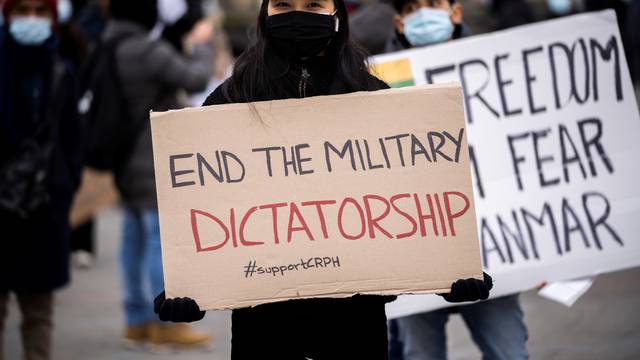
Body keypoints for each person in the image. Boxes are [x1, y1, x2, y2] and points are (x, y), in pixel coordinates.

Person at [153, 1, 494, 359]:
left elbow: (406, 203)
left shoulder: (373, 96)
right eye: (284, 4)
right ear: (265, 14)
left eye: (313, 4)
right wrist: (188, 287)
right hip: (264, 327)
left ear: (336, 16)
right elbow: (205, 206)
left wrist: (449, 272)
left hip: (354, 325)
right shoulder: (231, 100)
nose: (298, 15)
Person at [385, 1, 529, 359]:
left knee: (509, 352)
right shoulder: (374, 83)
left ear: (456, 13)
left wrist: (549, 257)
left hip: (493, 253)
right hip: (414, 263)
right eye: (415, 8)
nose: (425, 14)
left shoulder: (499, 71)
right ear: (400, 23)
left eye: (433, 4)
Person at [103, 0, 213, 348]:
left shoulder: (109, 44)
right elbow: (195, 79)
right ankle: (165, 324)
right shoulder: (146, 50)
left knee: (133, 237)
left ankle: (136, 321)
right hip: (149, 157)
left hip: (122, 158)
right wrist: (203, 45)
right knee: (158, 241)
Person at [0, 0, 84, 359]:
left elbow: (74, 140)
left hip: (44, 206)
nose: (31, 19)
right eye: (22, 10)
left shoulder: (61, 70)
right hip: (0, 208)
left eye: (39, 11)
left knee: (39, 313)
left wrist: (63, 186)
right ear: (7, 15)